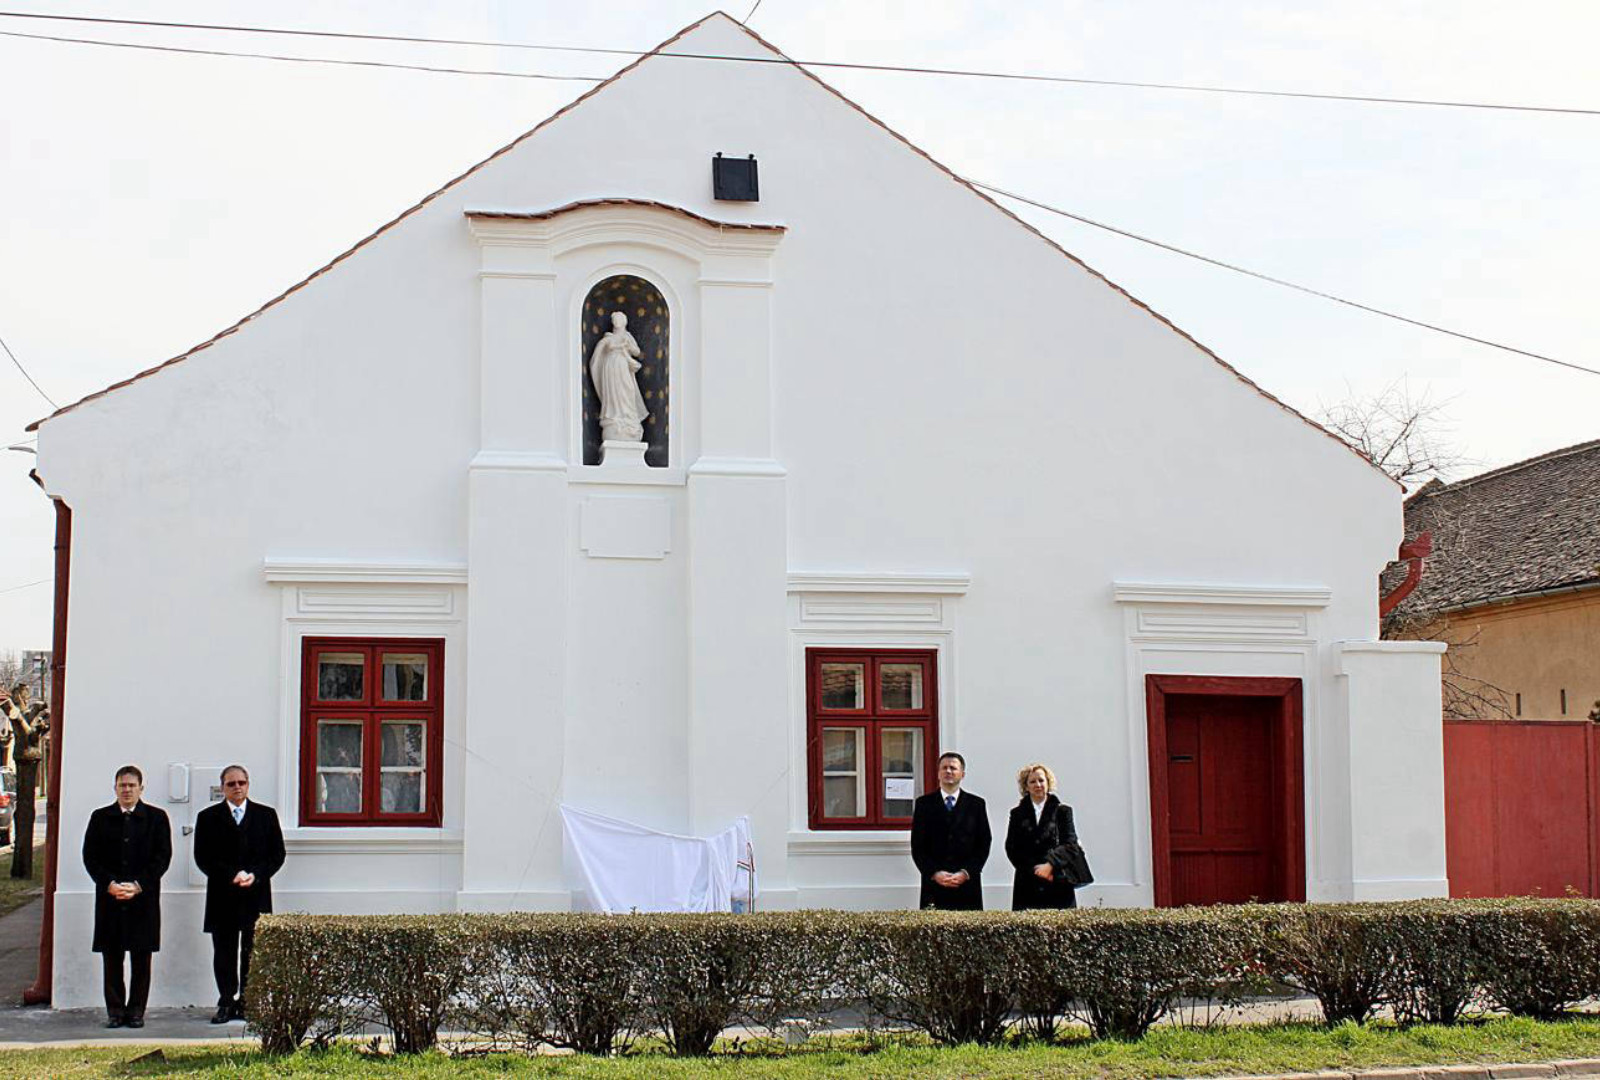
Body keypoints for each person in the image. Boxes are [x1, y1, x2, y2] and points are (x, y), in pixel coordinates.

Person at [192, 764, 286, 1023]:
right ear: (223, 787)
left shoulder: (265, 816)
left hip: (255, 894)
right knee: (223, 952)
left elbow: (277, 855)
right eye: (231, 784)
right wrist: (230, 874)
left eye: (241, 783)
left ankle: (248, 1002)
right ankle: (226, 1001)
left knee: (252, 951)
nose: (237, 788)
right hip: (222, 896)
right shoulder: (208, 817)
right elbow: (203, 857)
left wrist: (256, 874)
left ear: (248, 784)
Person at [82, 765, 171, 1028]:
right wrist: (108, 884)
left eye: (132, 785)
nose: (127, 790)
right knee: (112, 957)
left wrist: (138, 885)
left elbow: (162, 857)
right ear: (115, 788)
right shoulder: (100, 817)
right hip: (110, 899)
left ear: (141, 788)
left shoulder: (156, 818)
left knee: (141, 958)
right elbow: (90, 857)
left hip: (143, 900)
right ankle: (115, 1011)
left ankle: (136, 1012)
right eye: (122, 785)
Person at [909, 751, 991, 910]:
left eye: (953, 768)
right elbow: (918, 846)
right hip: (934, 885)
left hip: (967, 885)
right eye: (944, 768)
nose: (948, 771)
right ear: (938, 773)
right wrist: (934, 873)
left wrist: (966, 873)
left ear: (962, 774)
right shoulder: (924, 804)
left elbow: (984, 843)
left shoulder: (976, 805)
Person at [1004, 762, 1091, 911]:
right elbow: (1012, 847)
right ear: (1026, 786)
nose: (1038, 784)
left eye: (1041, 780)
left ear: (1048, 782)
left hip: (1057, 881)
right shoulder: (1017, 813)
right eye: (1032, 781)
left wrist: (1050, 866)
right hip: (1027, 883)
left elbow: (1070, 844)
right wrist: (1036, 870)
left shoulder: (1062, 811)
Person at [589, 310, 648, 442]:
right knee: (613, 391)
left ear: (624, 322)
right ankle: (614, 416)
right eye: (615, 320)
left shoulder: (627, 336)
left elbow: (637, 351)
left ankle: (628, 417)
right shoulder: (608, 338)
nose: (617, 322)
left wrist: (628, 345)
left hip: (623, 365)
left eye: (619, 319)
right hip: (610, 367)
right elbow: (597, 356)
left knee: (627, 389)